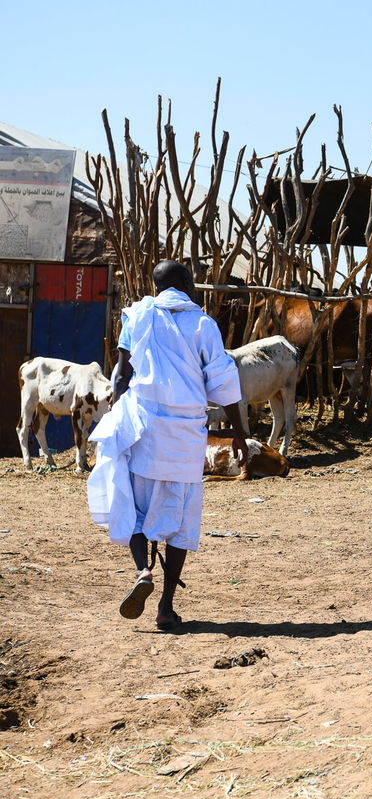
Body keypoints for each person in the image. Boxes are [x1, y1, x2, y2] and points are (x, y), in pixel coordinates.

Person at [87, 261, 249, 631]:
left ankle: (143, 571)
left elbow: (121, 372)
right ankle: (165, 606)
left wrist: (116, 414)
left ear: (156, 286)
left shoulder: (138, 315)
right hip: (185, 435)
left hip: (144, 428)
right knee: (180, 519)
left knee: (132, 501)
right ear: (186, 283)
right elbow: (222, 381)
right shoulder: (204, 325)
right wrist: (238, 431)